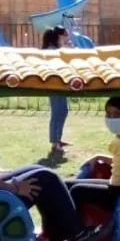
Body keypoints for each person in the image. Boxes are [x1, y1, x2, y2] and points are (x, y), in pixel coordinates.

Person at [0, 99, 101, 241]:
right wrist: (16, 188)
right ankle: (78, 235)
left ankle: (53, 237)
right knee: (46, 178)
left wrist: (10, 175)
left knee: (38, 170)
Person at [43, 26, 70, 157]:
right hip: (54, 86)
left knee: (63, 111)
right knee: (57, 113)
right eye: (65, 35)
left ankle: (58, 139)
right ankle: (55, 143)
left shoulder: (56, 50)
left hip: (60, 85)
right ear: (59, 36)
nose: (66, 38)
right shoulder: (52, 51)